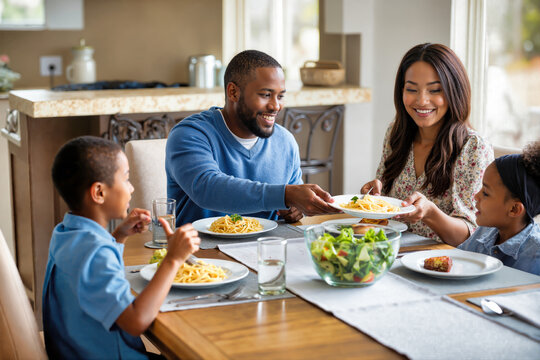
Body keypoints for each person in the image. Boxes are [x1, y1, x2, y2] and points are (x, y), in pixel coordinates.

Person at [43, 136, 200, 359]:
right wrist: (172, 259)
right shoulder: (96, 252)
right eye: (126, 179)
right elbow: (136, 322)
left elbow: (92, 274)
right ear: (99, 193)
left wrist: (119, 236)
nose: (132, 188)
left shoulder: (66, 233)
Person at [166, 49, 335, 225]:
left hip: (266, 249)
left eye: (280, 96)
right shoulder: (190, 134)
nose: (276, 106)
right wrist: (285, 195)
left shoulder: (285, 141)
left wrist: (294, 208)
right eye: (265, 95)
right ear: (233, 92)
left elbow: (291, 200)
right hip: (198, 250)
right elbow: (207, 188)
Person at [361, 43, 493, 246]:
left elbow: (471, 238)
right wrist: (374, 198)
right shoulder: (395, 133)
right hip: (391, 254)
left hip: (442, 265)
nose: (422, 101)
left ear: (454, 92)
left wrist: (430, 213)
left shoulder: (473, 147)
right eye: (411, 89)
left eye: (435, 90)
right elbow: (386, 212)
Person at [458, 141, 540, 275]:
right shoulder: (484, 232)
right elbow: (458, 263)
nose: (476, 196)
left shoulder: (536, 255)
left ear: (514, 209)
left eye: (485, 193)